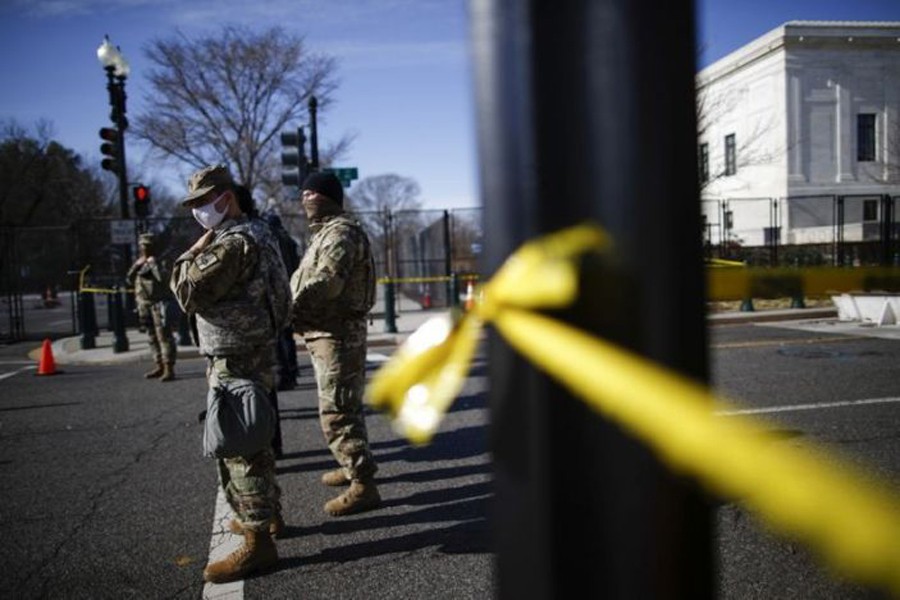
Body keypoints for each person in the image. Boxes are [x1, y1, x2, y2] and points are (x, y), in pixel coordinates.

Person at [169, 165, 290, 583]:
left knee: (241, 447)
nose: (200, 210)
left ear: (226, 196)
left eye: (205, 201)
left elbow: (186, 292)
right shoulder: (259, 232)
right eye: (195, 204)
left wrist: (190, 252)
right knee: (256, 439)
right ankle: (266, 518)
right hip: (253, 348)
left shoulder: (232, 243)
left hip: (235, 353)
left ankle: (259, 543)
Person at [290, 171, 380, 517]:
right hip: (327, 332)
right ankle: (350, 465)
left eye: (311, 193)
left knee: (337, 412)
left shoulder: (340, 234)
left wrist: (287, 309)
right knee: (343, 406)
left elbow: (326, 284)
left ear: (326, 197)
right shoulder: (326, 233)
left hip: (337, 335)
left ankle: (363, 485)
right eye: (303, 193)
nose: (304, 198)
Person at [126, 232, 176, 382]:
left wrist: (153, 263)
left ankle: (169, 368)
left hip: (159, 304)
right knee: (151, 337)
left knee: (164, 337)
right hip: (144, 304)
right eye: (142, 246)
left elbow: (163, 279)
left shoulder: (161, 261)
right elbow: (129, 279)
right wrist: (136, 265)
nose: (144, 249)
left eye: (147, 246)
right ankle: (159, 364)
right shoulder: (140, 262)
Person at [265, 212, 301, 391]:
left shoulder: (270, 240)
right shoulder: (290, 241)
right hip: (291, 287)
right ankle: (293, 371)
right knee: (288, 335)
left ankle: (284, 374)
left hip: (276, 291)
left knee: (278, 336)